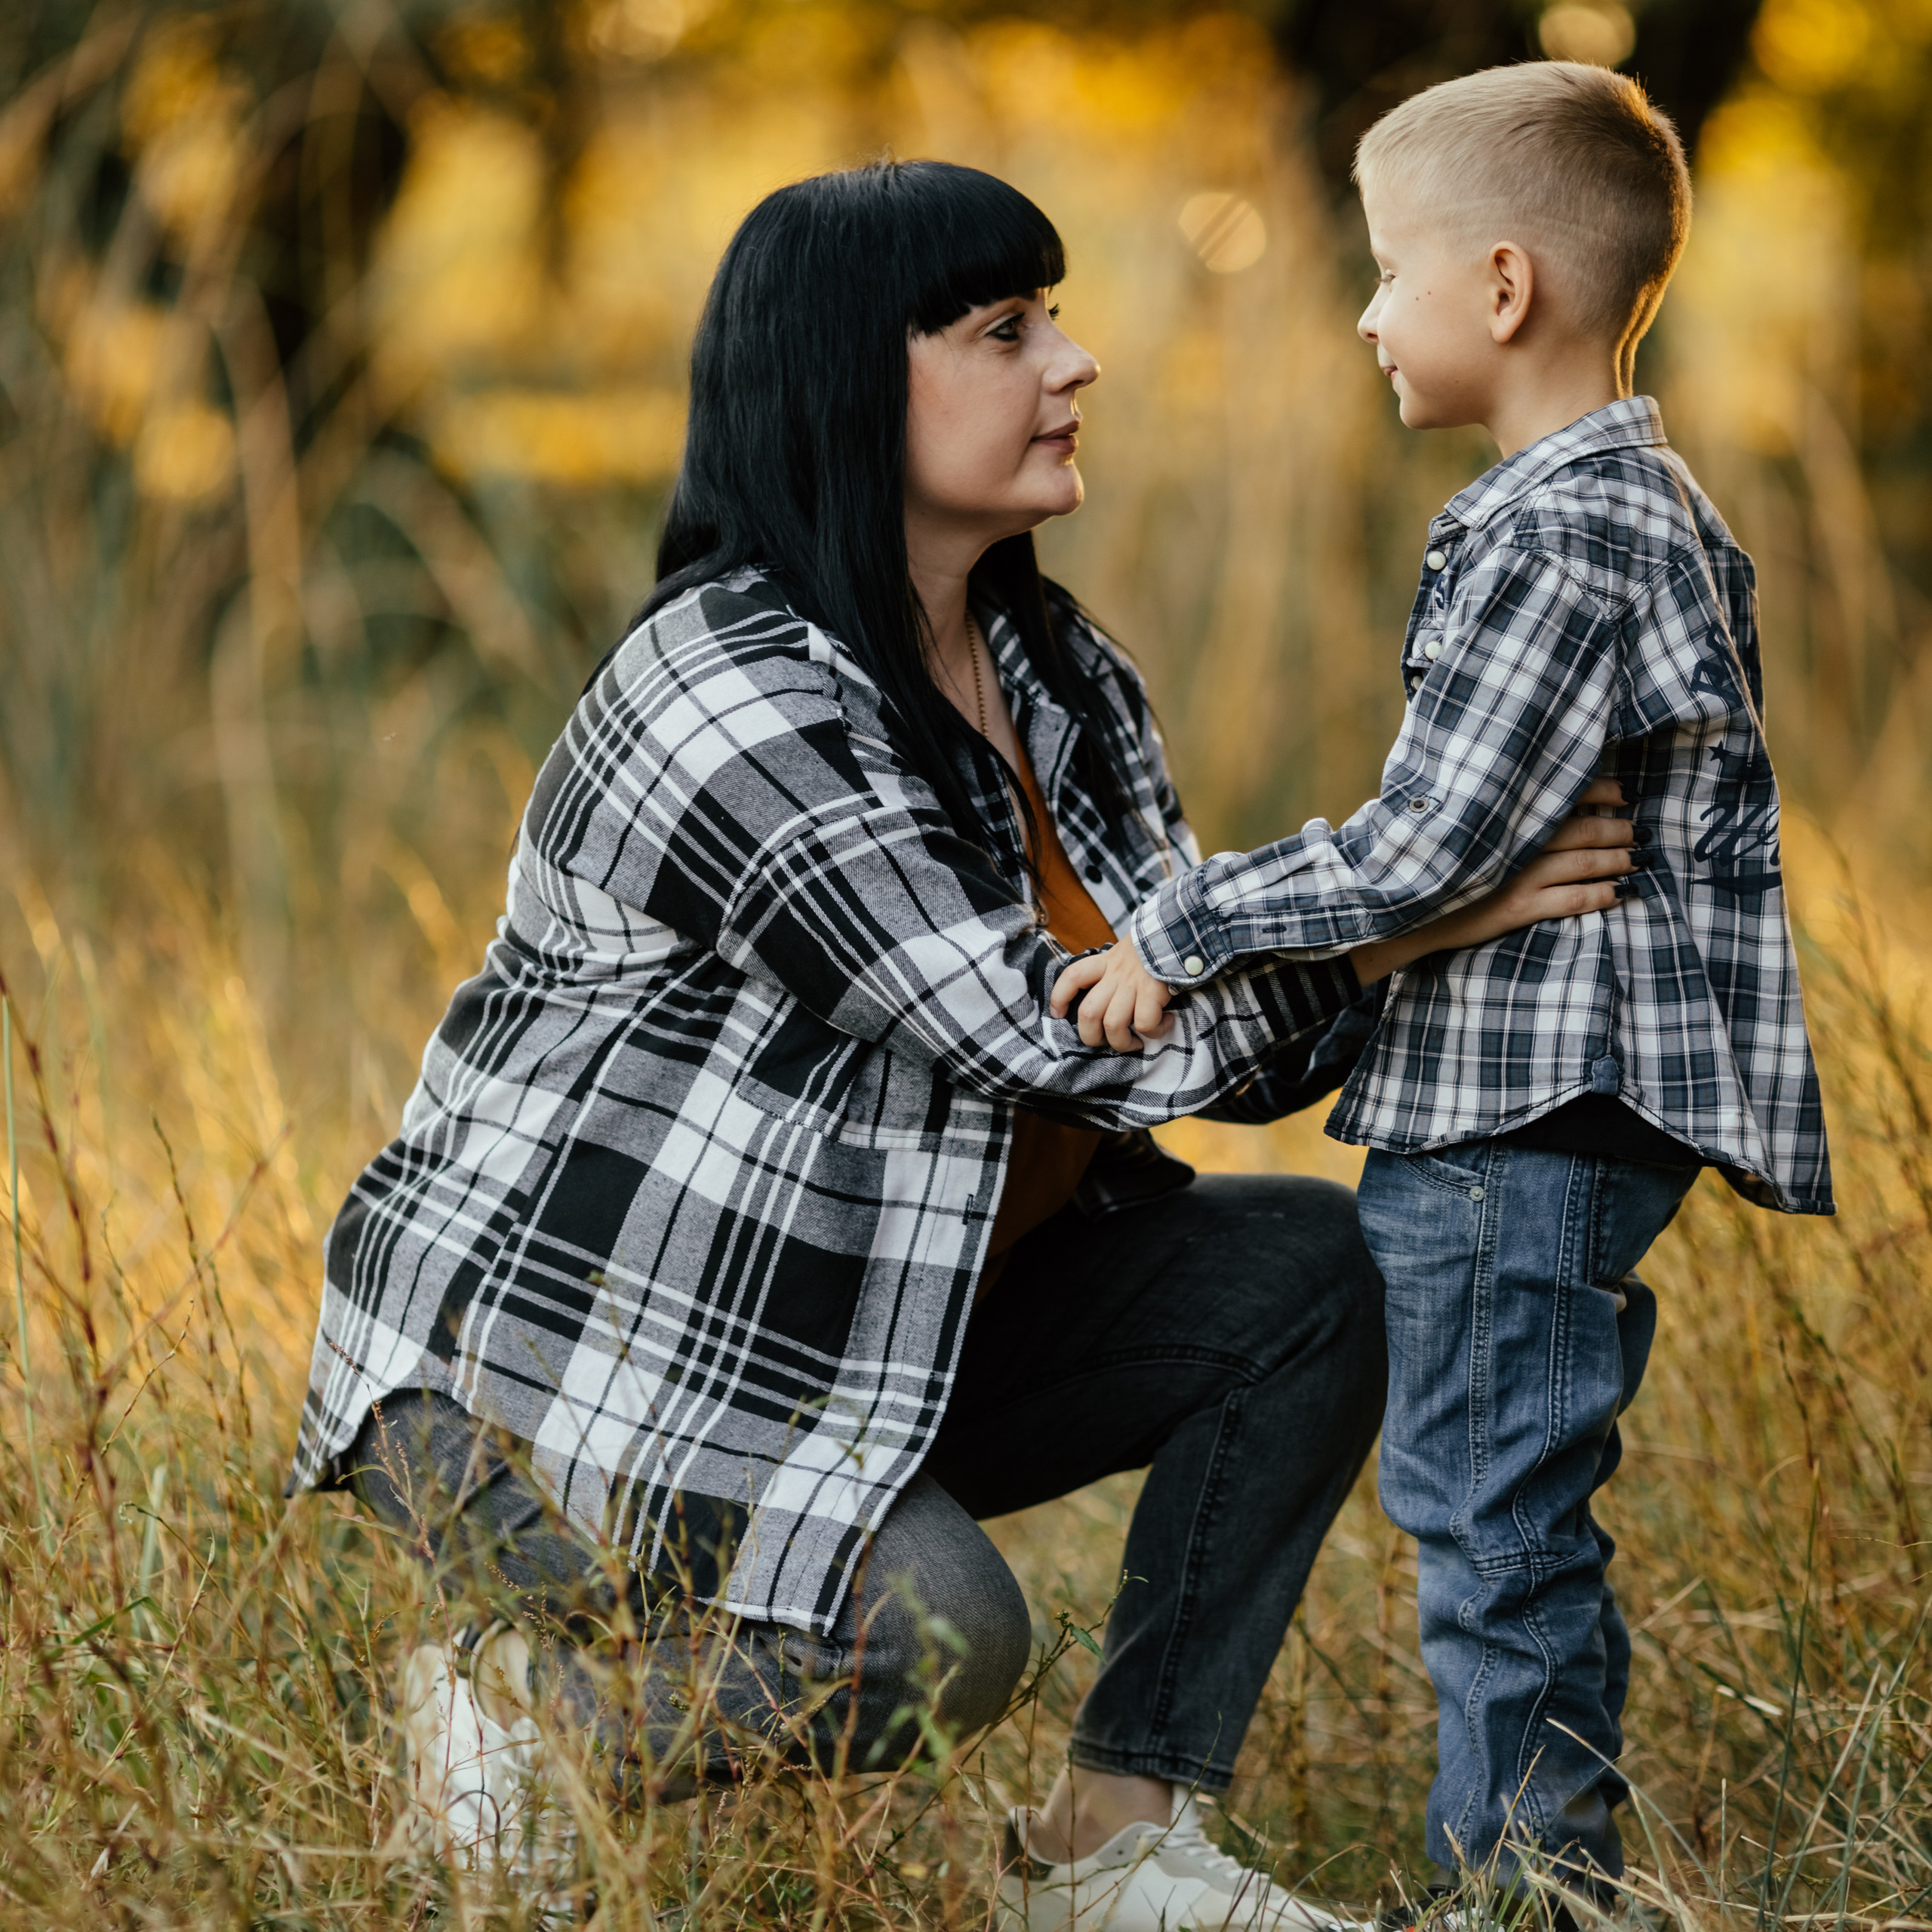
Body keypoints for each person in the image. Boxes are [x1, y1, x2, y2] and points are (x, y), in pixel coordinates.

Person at [288, 159, 1636, 1924]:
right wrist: (1409, 906)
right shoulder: (724, 691)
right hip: (567, 1365)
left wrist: (1410, 926)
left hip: (866, 1332)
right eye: (1004, 331)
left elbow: (1207, 1042)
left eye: (1054, 320)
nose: (1071, 364)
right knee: (930, 1633)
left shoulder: (1054, 673)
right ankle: (524, 1718)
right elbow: (1030, 1026)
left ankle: (1110, 1841)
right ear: (852, 378)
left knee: (1317, 1270)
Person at [1054, 63, 1833, 1912]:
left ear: (1499, 289)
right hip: (1526, 1112)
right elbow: (1459, 854)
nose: (1361, 309)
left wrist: (1178, 923)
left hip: (1519, 1122)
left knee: (1491, 1530)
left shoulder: (1562, 531)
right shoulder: (1608, 509)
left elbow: (1420, 848)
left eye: (1386, 269)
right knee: (1494, 1511)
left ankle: (1527, 1895)